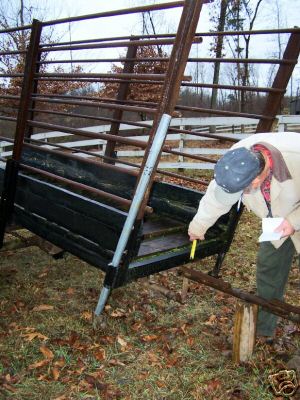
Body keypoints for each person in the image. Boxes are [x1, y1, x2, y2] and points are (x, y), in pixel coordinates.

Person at [188, 131, 300, 340]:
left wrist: (293, 222)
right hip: (276, 217)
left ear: (256, 180)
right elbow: (216, 198)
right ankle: (264, 329)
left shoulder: (296, 156)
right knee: (268, 267)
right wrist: (198, 226)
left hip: (294, 210)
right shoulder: (235, 160)